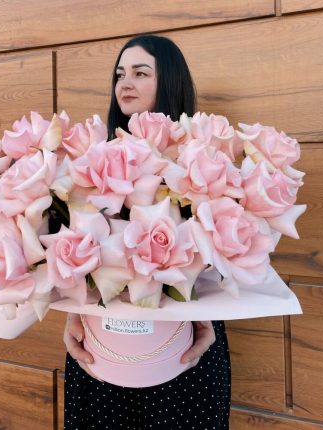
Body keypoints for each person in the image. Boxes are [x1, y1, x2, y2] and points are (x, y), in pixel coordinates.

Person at [63, 35, 231, 430]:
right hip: (102, 351)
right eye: (120, 75)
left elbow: (220, 257)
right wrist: (73, 313)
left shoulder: (202, 159)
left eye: (140, 73)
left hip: (182, 351)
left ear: (169, 81)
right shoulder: (94, 160)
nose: (125, 83)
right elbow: (76, 254)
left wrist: (206, 314)